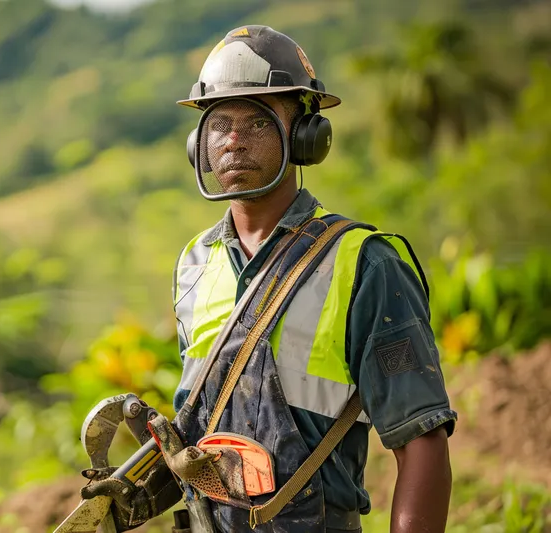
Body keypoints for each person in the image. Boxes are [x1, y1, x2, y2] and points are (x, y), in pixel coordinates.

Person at [82, 26, 457, 533]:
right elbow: (212, 429)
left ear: (306, 136)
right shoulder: (196, 263)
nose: (233, 141)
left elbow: (422, 441)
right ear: (199, 145)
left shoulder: (366, 264)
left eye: (257, 123)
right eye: (220, 124)